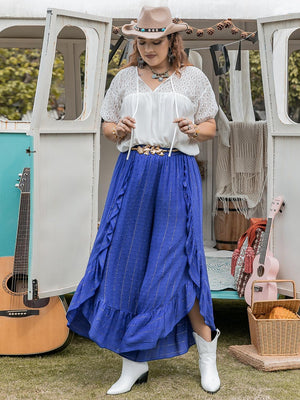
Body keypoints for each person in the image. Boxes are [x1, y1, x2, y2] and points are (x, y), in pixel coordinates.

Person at [67, 5, 220, 395]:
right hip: (133, 173)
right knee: (126, 259)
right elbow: (106, 125)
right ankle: (133, 363)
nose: (148, 48)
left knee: (178, 260)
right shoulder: (123, 79)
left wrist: (193, 129)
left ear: (172, 40)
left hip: (175, 175)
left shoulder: (194, 79)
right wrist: (117, 129)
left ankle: (207, 350)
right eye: (142, 41)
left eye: (156, 41)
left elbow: (211, 126)